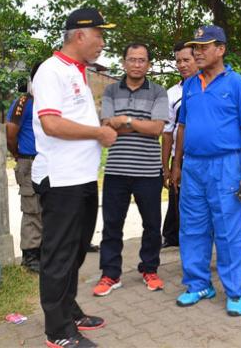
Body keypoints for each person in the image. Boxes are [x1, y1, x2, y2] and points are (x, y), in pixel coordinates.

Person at [31, 7, 118, 348]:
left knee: (79, 249)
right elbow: (51, 124)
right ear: (80, 35)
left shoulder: (78, 71)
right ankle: (58, 330)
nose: (102, 42)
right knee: (59, 254)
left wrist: (97, 132)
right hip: (61, 178)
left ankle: (68, 308)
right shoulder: (51, 71)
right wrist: (97, 133)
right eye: (99, 35)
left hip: (81, 178)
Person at [171, 25, 241, 317]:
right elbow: (182, 127)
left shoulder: (238, 84)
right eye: (195, 47)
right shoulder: (191, 84)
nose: (197, 52)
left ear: (220, 50)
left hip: (226, 165)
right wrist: (176, 164)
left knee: (229, 229)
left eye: (203, 47)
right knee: (192, 227)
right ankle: (197, 284)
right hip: (193, 166)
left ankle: (236, 290)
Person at [93, 43, 169, 296]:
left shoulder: (159, 92)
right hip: (116, 170)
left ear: (148, 64)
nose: (136, 64)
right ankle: (110, 274)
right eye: (132, 59)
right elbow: (107, 129)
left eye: (142, 60)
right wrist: (140, 124)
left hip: (148, 170)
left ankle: (149, 269)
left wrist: (125, 120)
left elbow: (157, 129)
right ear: (124, 62)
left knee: (151, 224)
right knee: (112, 224)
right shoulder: (111, 90)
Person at [6, 63, 42, 272]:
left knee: (48, 209)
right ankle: (30, 256)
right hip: (29, 161)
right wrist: (19, 155)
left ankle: (42, 251)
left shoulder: (53, 100)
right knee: (32, 210)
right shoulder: (24, 101)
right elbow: (10, 133)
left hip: (50, 163)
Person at [161, 41, 197, 248]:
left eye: (186, 60)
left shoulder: (211, 88)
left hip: (205, 157)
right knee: (178, 199)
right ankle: (173, 238)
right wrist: (166, 167)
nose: (182, 65)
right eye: (178, 61)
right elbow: (167, 133)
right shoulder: (172, 93)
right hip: (180, 158)